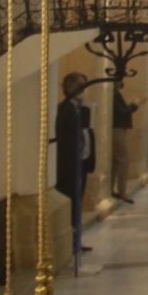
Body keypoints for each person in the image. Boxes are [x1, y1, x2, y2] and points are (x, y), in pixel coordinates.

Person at [54, 72, 95, 268]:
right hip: (69, 164)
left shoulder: (81, 109)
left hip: (81, 161)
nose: (83, 90)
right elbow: (65, 139)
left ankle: (78, 240)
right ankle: (71, 242)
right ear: (70, 88)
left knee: (79, 200)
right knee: (72, 200)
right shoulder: (64, 110)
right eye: (80, 86)